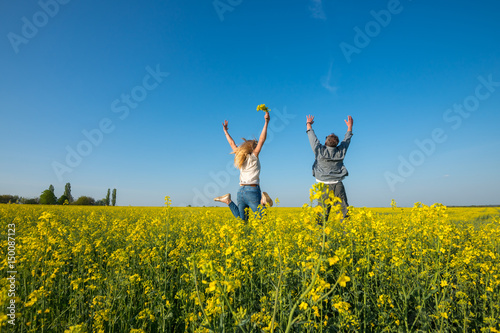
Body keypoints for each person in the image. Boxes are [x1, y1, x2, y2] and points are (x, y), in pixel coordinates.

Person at [214, 112, 273, 221]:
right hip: (252, 190)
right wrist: (266, 122)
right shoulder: (254, 156)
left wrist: (225, 132)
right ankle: (263, 203)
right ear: (253, 148)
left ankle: (228, 201)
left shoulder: (240, 156)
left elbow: (232, 144)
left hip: (241, 191)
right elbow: (261, 140)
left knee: (242, 222)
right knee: (262, 221)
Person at [306, 114, 353, 221]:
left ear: (325, 142)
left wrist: (308, 124)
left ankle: (321, 237)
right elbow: (347, 140)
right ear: (337, 144)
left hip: (323, 187)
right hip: (338, 186)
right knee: (344, 216)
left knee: (321, 218)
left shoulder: (319, 151)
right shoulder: (341, 151)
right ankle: (347, 236)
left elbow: (312, 138)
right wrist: (349, 127)